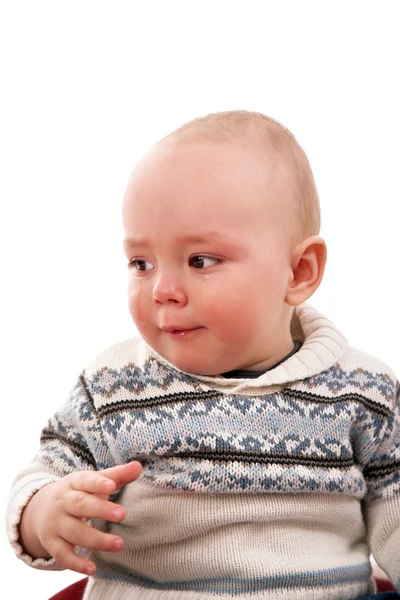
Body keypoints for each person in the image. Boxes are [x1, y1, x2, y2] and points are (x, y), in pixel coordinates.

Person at [6, 110, 400, 600]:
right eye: (141, 263)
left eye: (201, 260)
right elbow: (45, 471)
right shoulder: (115, 388)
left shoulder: (366, 392)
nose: (163, 290)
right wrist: (45, 512)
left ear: (298, 271)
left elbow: (395, 509)